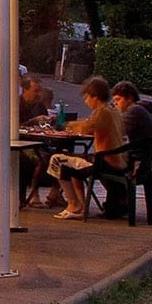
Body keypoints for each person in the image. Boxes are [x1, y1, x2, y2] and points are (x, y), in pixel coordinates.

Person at [46, 76, 127, 220]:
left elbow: (87, 127)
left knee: (57, 160)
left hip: (105, 161)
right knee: (72, 162)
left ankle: (73, 204)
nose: (85, 101)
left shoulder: (102, 112)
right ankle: (80, 205)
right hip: (117, 160)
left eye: (87, 97)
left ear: (95, 97)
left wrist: (65, 125)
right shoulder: (114, 111)